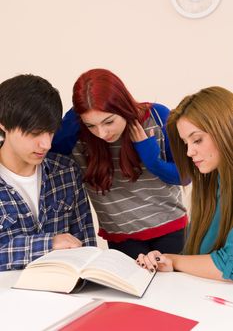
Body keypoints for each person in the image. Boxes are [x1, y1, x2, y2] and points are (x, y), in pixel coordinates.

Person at [52, 68, 187, 259]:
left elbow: (186, 177)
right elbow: (44, 155)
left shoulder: (157, 117)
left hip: (171, 229)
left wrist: (152, 161)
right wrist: (73, 119)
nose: (101, 133)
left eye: (109, 122)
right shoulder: (77, 133)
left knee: (173, 288)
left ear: (122, 106)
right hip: (121, 238)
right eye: (91, 125)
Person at [0, 74, 96, 271]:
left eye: (51, 132)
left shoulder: (66, 171)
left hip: (66, 295)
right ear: (3, 125)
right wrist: (48, 244)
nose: (46, 144)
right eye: (35, 133)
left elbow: (86, 246)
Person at [137, 86, 233, 281]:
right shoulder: (213, 182)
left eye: (197, 140)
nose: (189, 152)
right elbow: (199, 253)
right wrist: (164, 260)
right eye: (186, 143)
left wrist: (174, 260)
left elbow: (228, 264)